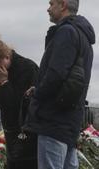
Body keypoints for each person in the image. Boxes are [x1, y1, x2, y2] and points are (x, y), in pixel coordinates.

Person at [23, 0, 96, 168]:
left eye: (51, 3)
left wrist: (38, 94)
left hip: (53, 119)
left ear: (63, 4)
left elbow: (55, 75)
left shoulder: (66, 32)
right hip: (69, 120)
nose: (48, 8)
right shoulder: (83, 36)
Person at [0, 35, 39, 169]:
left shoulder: (27, 68)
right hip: (11, 140)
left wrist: (5, 83)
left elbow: (18, 107)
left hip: (30, 142)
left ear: (5, 57)